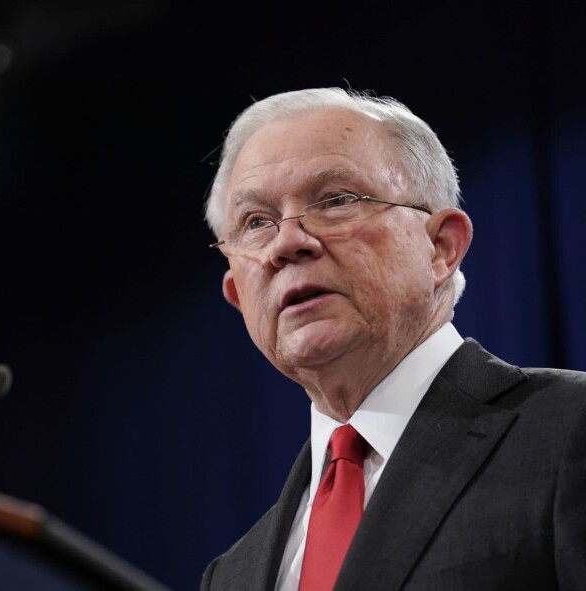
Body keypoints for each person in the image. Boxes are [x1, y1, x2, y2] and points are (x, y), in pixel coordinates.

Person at [199, 87, 586, 590]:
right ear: (238, 294)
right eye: (256, 222)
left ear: (441, 248)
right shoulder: (231, 576)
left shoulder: (569, 429)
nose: (287, 243)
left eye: (336, 200)